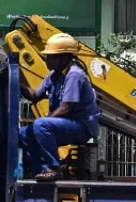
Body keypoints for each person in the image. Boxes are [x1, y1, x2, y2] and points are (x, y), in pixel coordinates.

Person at [19, 33, 101, 181]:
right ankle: (43, 170)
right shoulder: (53, 75)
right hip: (64, 124)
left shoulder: (74, 75)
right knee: (22, 134)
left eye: (51, 57)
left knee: (40, 125)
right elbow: (34, 96)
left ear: (64, 58)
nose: (46, 60)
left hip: (81, 126)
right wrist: (15, 81)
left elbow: (66, 107)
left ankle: (55, 168)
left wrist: (44, 124)